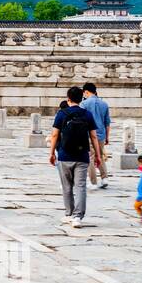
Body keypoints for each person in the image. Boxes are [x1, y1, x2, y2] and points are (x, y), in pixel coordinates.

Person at [49, 85, 103, 227]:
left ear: (68, 99)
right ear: (81, 99)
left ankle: (69, 213)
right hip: (82, 156)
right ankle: (78, 217)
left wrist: (51, 153)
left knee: (66, 186)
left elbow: (55, 134)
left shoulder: (62, 114)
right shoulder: (87, 114)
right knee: (80, 187)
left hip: (64, 155)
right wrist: (98, 155)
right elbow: (94, 136)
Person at [81, 81, 111, 189]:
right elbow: (107, 123)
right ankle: (104, 178)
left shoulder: (84, 104)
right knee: (100, 156)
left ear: (86, 92)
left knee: (91, 157)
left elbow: (81, 121)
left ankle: (93, 182)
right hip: (101, 134)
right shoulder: (104, 104)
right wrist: (107, 137)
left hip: (89, 134)